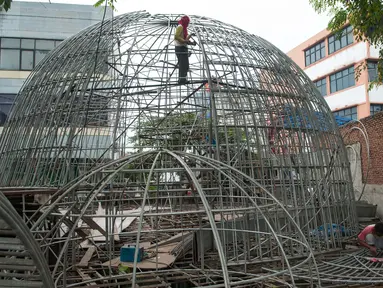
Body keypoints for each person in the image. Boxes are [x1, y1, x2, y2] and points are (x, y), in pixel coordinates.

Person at [174, 15, 196, 84]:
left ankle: (184, 79)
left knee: (185, 65)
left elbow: (185, 40)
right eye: (187, 22)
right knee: (182, 64)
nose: (188, 24)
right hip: (180, 48)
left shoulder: (184, 29)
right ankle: (182, 80)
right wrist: (184, 41)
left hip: (183, 48)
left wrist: (191, 40)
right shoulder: (180, 27)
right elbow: (176, 37)